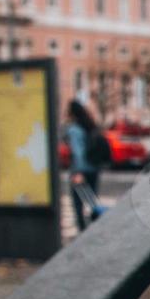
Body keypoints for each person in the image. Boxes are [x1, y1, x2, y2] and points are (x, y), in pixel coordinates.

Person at [65, 99, 103, 231]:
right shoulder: (90, 125)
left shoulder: (74, 129)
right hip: (94, 169)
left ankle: (82, 233)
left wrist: (78, 172)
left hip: (81, 171)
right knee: (92, 202)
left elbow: (78, 152)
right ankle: (97, 229)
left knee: (78, 205)